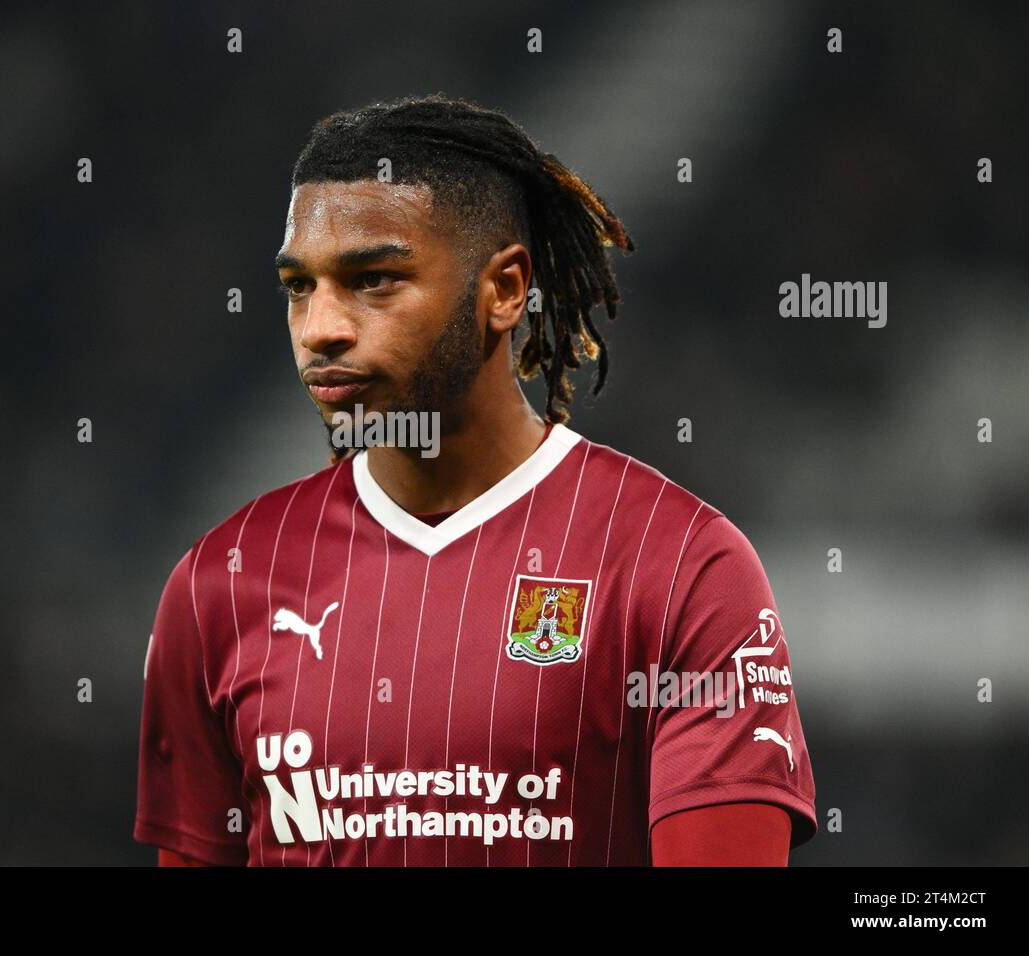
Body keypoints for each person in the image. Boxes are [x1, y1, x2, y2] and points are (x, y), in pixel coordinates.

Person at [135, 94, 816, 867]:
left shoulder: (684, 567)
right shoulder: (220, 584)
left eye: (375, 281)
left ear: (503, 289)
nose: (322, 327)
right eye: (300, 286)